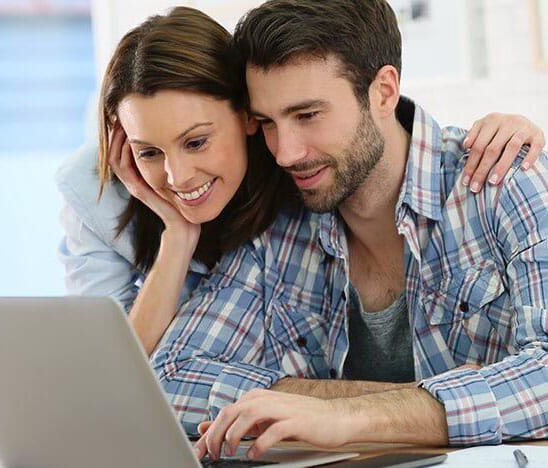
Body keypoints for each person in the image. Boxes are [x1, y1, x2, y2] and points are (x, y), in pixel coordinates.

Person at [158, 0, 548, 460]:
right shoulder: (279, 228)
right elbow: (171, 377)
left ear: (383, 92)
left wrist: (349, 419)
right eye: (267, 122)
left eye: (307, 115)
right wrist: (335, 408)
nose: (285, 153)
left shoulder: (505, 182)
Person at [56, 7, 546, 357]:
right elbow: (128, 380)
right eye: (149, 152)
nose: (176, 175)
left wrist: (514, 135)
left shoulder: (298, 170)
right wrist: (177, 238)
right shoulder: (102, 196)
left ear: (243, 118)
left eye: (198, 142)